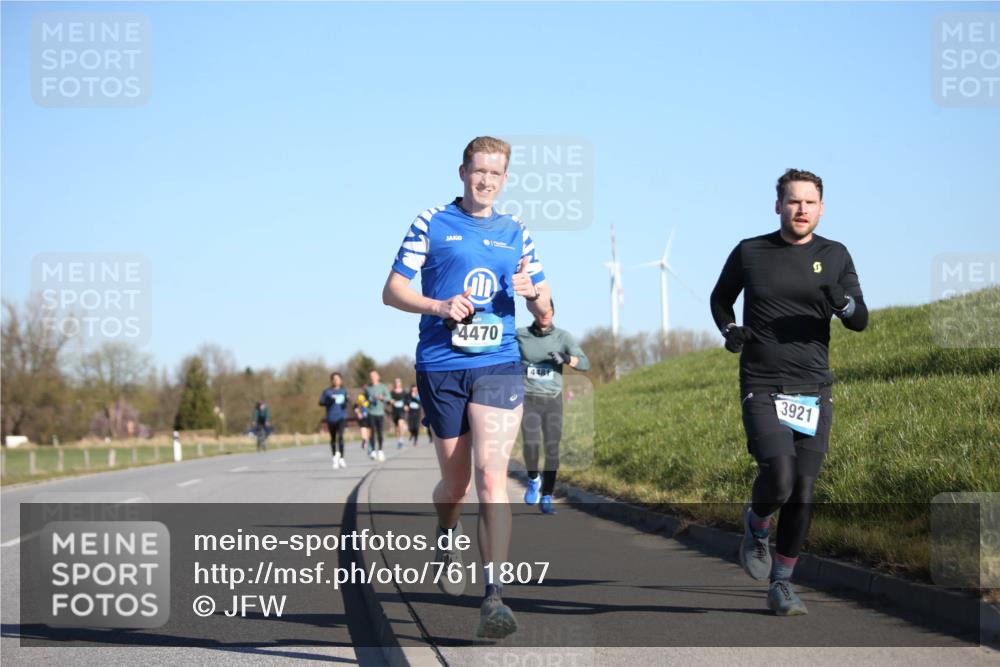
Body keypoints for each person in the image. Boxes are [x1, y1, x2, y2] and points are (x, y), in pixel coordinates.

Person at [382, 136, 551, 639]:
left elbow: (545, 313)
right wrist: (438, 306)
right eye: (478, 171)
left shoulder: (516, 231)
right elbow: (391, 290)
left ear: (505, 179)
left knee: (491, 477)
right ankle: (448, 529)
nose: (485, 181)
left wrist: (535, 295)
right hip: (441, 365)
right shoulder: (431, 222)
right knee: (454, 486)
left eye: (495, 174)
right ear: (462, 172)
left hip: (498, 364)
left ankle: (494, 597)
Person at [709, 168, 868, 616]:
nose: (801, 210)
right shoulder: (750, 251)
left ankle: (782, 583)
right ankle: (757, 524)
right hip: (761, 382)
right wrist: (729, 328)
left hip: (813, 388)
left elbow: (860, 319)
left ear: (821, 208)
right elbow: (720, 298)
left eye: (809, 202)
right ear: (778, 205)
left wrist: (845, 303)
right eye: (793, 201)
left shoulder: (835, 255)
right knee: (779, 477)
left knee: (803, 490)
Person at [515, 299, 590, 515]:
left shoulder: (563, 337)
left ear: (554, 312)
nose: (546, 314)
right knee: (530, 444)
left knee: (552, 448)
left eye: (549, 310)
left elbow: (585, 363)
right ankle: (532, 478)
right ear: (533, 312)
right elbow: (499, 348)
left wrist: (566, 358)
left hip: (553, 399)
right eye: (541, 310)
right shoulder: (521, 335)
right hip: (528, 397)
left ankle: (547, 495)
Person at [319, 372, 349, 469]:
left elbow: (347, 402)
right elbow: (321, 402)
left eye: (338, 379)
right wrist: (328, 401)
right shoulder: (327, 392)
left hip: (341, 417)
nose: (336, 381)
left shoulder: (344, 391)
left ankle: (341, 458)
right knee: (333, 438)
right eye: (334, 379)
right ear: (331, 380)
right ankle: (334, 458)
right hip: (331, 417)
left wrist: (346, 402)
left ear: (341, 380)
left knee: (340, 436)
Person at [365, 370, 391, 462]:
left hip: (380, 413)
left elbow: (389, 398)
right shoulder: (368, 388)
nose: (372, 377)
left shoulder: (383, 387)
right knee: (372, 431)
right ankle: (372, 450)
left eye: (374, 376)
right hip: (371, 412)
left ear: (378, 377)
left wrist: (381, 397)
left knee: (380, 432)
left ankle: (380, 450)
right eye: (371, 376)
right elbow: (364, 400)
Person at [390, 377, 409, 449]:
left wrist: (406, 405)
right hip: (395, 411)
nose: (397, 383)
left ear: (400, 383)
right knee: (397, 427)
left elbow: (407, 400)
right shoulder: (392, 392)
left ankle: (401, 440)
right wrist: (391, 401)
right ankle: (398, 441)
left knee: (401, 424)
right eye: (395, 382)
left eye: (398, 382)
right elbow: (389, 400)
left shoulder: (404, 392)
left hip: (401, 411)